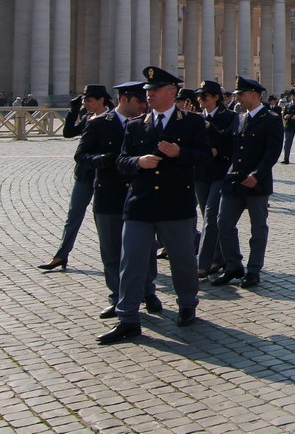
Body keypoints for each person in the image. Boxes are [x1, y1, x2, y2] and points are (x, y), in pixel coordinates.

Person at [98, 66, 210, 344]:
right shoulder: (136, 124)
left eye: (155, 90)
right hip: (140, 205)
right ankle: (128, 318)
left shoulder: (192, 122)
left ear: (171, 93)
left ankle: (187, 304)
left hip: (175, 204)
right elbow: (122, 160)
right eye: (147, 91)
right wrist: (138, 162)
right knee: (132, 262)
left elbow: (206, 157)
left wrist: (180, 152)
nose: (148, 95)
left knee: (182, 260)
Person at [82, 82, 157, 319]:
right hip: (109, 195)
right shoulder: (98, 125)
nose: (143, 107)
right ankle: (117, 297)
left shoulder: (147, 125)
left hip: (138, 196)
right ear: (125, 99)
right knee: (112, 251)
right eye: (139, 102)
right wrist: (100, 159)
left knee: (145, 250)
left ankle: (148, 292)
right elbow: (81, 155)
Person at [209, 76, 283, 289]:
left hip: (256, 183)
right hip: (234, 181)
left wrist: (257, 175)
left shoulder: (271, 118)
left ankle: (253, 270)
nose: (237, 98)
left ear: (253, 94)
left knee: (258, 229)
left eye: (240, 94)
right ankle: (233, 265)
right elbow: (229, 143)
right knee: (223, 223)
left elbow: (272, 152)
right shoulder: (238, 118)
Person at [38, 85, 113, 271]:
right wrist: (73, 111)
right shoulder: (88, 118)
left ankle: (112, 259)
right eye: (84, 101)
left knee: (103, 220)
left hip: (105, 175)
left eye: (88, 100)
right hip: (84, 174)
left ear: (101, 100)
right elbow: (69, 133)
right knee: (73, 216)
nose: (85, 104)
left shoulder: (113, 119)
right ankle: (61, 255)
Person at [194, 80, 238, 280]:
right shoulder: (195, 118)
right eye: (199, 96)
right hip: (201, 173)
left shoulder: (230, 117)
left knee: (211, 217)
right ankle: (220, 257)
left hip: (220, 172)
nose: (201, 99)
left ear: (216, 98)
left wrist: (216, 147)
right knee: (207, 218)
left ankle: (202, 264)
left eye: (206, 96)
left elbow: (231, 143)